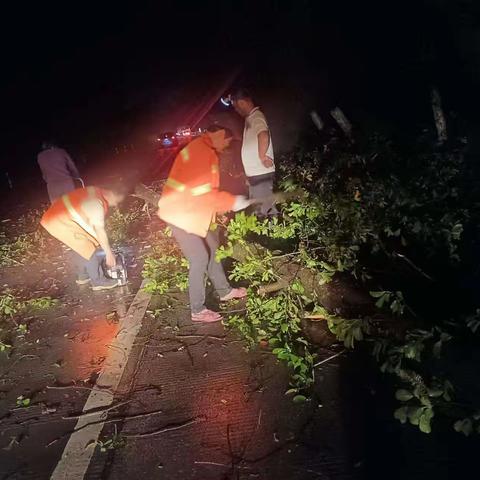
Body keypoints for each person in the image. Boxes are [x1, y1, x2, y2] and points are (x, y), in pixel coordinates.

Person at [158, 125, 252, 323]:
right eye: (227, 141)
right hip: (180, 213)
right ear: (219, 137)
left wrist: (220, 208)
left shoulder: (204, 149)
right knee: (200, 258)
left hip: (190, 210)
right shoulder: (200, 153)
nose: (227, 145)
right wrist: (231, 202)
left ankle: (224, 291)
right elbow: (204, 194)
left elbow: (204, 190)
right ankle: (197, 309)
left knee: (213, 248)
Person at [40, 184, 127, 290]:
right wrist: (109, 253)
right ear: (111, 195)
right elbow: (99, 231)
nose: (115, 205)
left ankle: (83, 275)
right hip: (59, 221)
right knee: (89, 248)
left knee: (81, 246)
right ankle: (98, 281)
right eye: (116, 201)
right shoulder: (96, 203)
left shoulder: (95, 191)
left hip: (56, 218)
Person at [231, 89, 277, 216]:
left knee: (265, 209)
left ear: (241, 102)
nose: (236, 110)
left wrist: (262, 157)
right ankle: (268, 230)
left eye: (236, 106)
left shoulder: (257, 116)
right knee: (260, 206)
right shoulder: (251, 118)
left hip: (261, 172)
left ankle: (270, 230)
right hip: (256, 173)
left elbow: (263, 135)